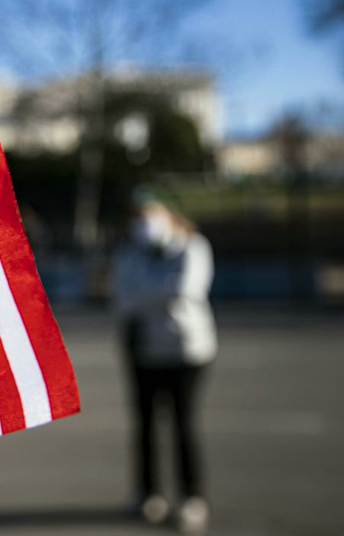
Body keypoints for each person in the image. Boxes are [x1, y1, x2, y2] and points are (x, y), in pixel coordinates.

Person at [112, 194, 216, 535]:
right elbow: (121, 297)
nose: (142, 224)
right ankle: (149, 493)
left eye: (150, 215)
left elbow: (186, 288)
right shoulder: (129, 253)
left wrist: (142, 294)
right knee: (144, 426)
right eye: (137, 217)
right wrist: (153, 293)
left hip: (186, 350)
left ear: (169, 214)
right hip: (142, 349)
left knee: (182, 424)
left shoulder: (193, 246)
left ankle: (192, 497)